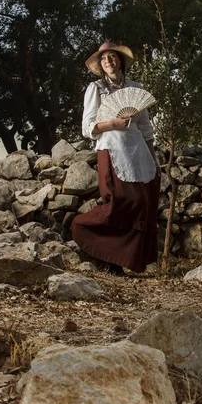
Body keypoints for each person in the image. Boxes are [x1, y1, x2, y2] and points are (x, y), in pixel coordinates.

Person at [71, 41, 161, 275]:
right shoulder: (96, 88)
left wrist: (153, 157)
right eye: (103, 58)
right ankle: (106, 254)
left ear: (120, 61)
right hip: (111, 147)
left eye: (112, 56)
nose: (108, 61)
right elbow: (87, 127)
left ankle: (127, 260)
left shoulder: (135, 87)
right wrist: (113, 123)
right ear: (100, 65)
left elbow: (145, 127)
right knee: (120, 201)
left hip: (138, 149)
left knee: (143, 203)